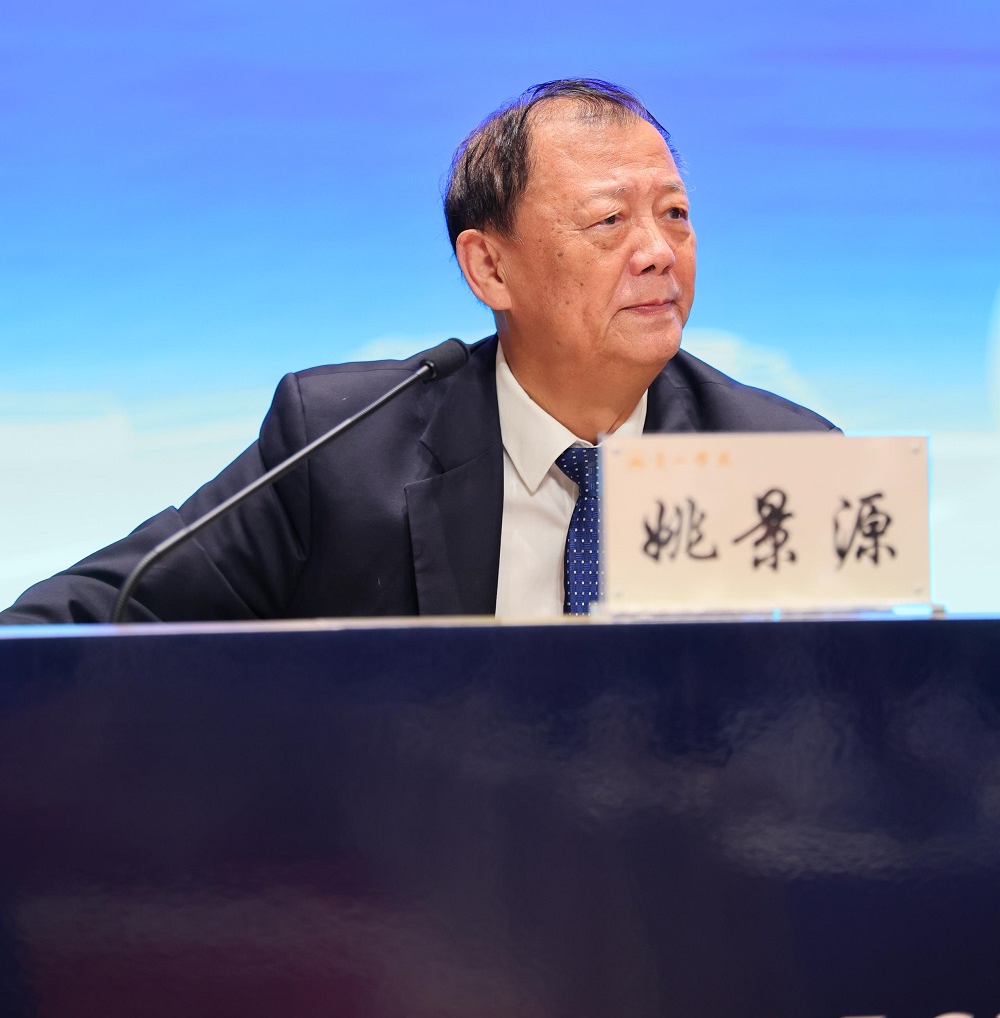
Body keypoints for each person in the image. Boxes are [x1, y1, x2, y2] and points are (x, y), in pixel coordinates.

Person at [0, 79, 837, 625]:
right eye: (610, 221)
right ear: (489, 268)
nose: (658, 251)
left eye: (676, 215)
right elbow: (99, 612)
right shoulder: (342, 449)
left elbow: (855, 726)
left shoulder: (786, 462)